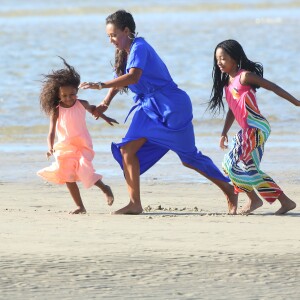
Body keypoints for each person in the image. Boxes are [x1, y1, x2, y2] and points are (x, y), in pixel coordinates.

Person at [79, 10, 238, 215]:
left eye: (113, 35)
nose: (110, 40)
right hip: (147, 109)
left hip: (171, 107)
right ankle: (135, 203)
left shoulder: (140, 47)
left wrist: (99, 85)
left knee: (189, 158)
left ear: (126, 31)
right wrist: (105, 103)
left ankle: (229, 190)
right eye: (108, 36)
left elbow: (133, 77)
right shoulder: (125, 52)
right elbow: (121, 78)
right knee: (126, 150)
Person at [208, 39, 298, 215]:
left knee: (228, 163)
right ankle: (285, 202)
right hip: (249, 130)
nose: (219, 62)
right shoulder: (228, 83)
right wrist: (224, 132)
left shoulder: (245, 76)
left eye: (223, 58)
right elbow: (232, 110)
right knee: (251, 168)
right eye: (217, 59)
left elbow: (272, 87)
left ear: (234, 58)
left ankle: (253, 199)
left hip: (256, 127)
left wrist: (296, 102)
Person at [37, 57, 117, 214]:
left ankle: (105, 188)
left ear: (76, 92)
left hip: (82, 145)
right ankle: (80, 206)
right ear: (59, 96)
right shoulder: (57, 109)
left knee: (84, 170)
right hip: (64, 147)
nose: (69, 98)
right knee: (68, 176)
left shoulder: (82, 103)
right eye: (65, 95)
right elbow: (51, 131)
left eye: (72, 94)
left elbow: (94, 109)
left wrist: (105, 117)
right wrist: (50, 147)